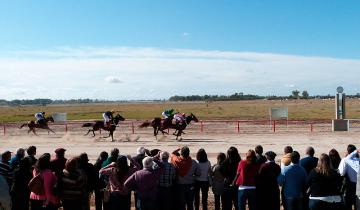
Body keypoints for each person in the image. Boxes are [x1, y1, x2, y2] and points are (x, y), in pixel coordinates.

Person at [338, 145, 359, 210]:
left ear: (348, 151)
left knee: (348, 205)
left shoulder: (345, 160)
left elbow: (341, 173)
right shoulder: (358, 160)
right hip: (358, 186)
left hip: (349, 186)